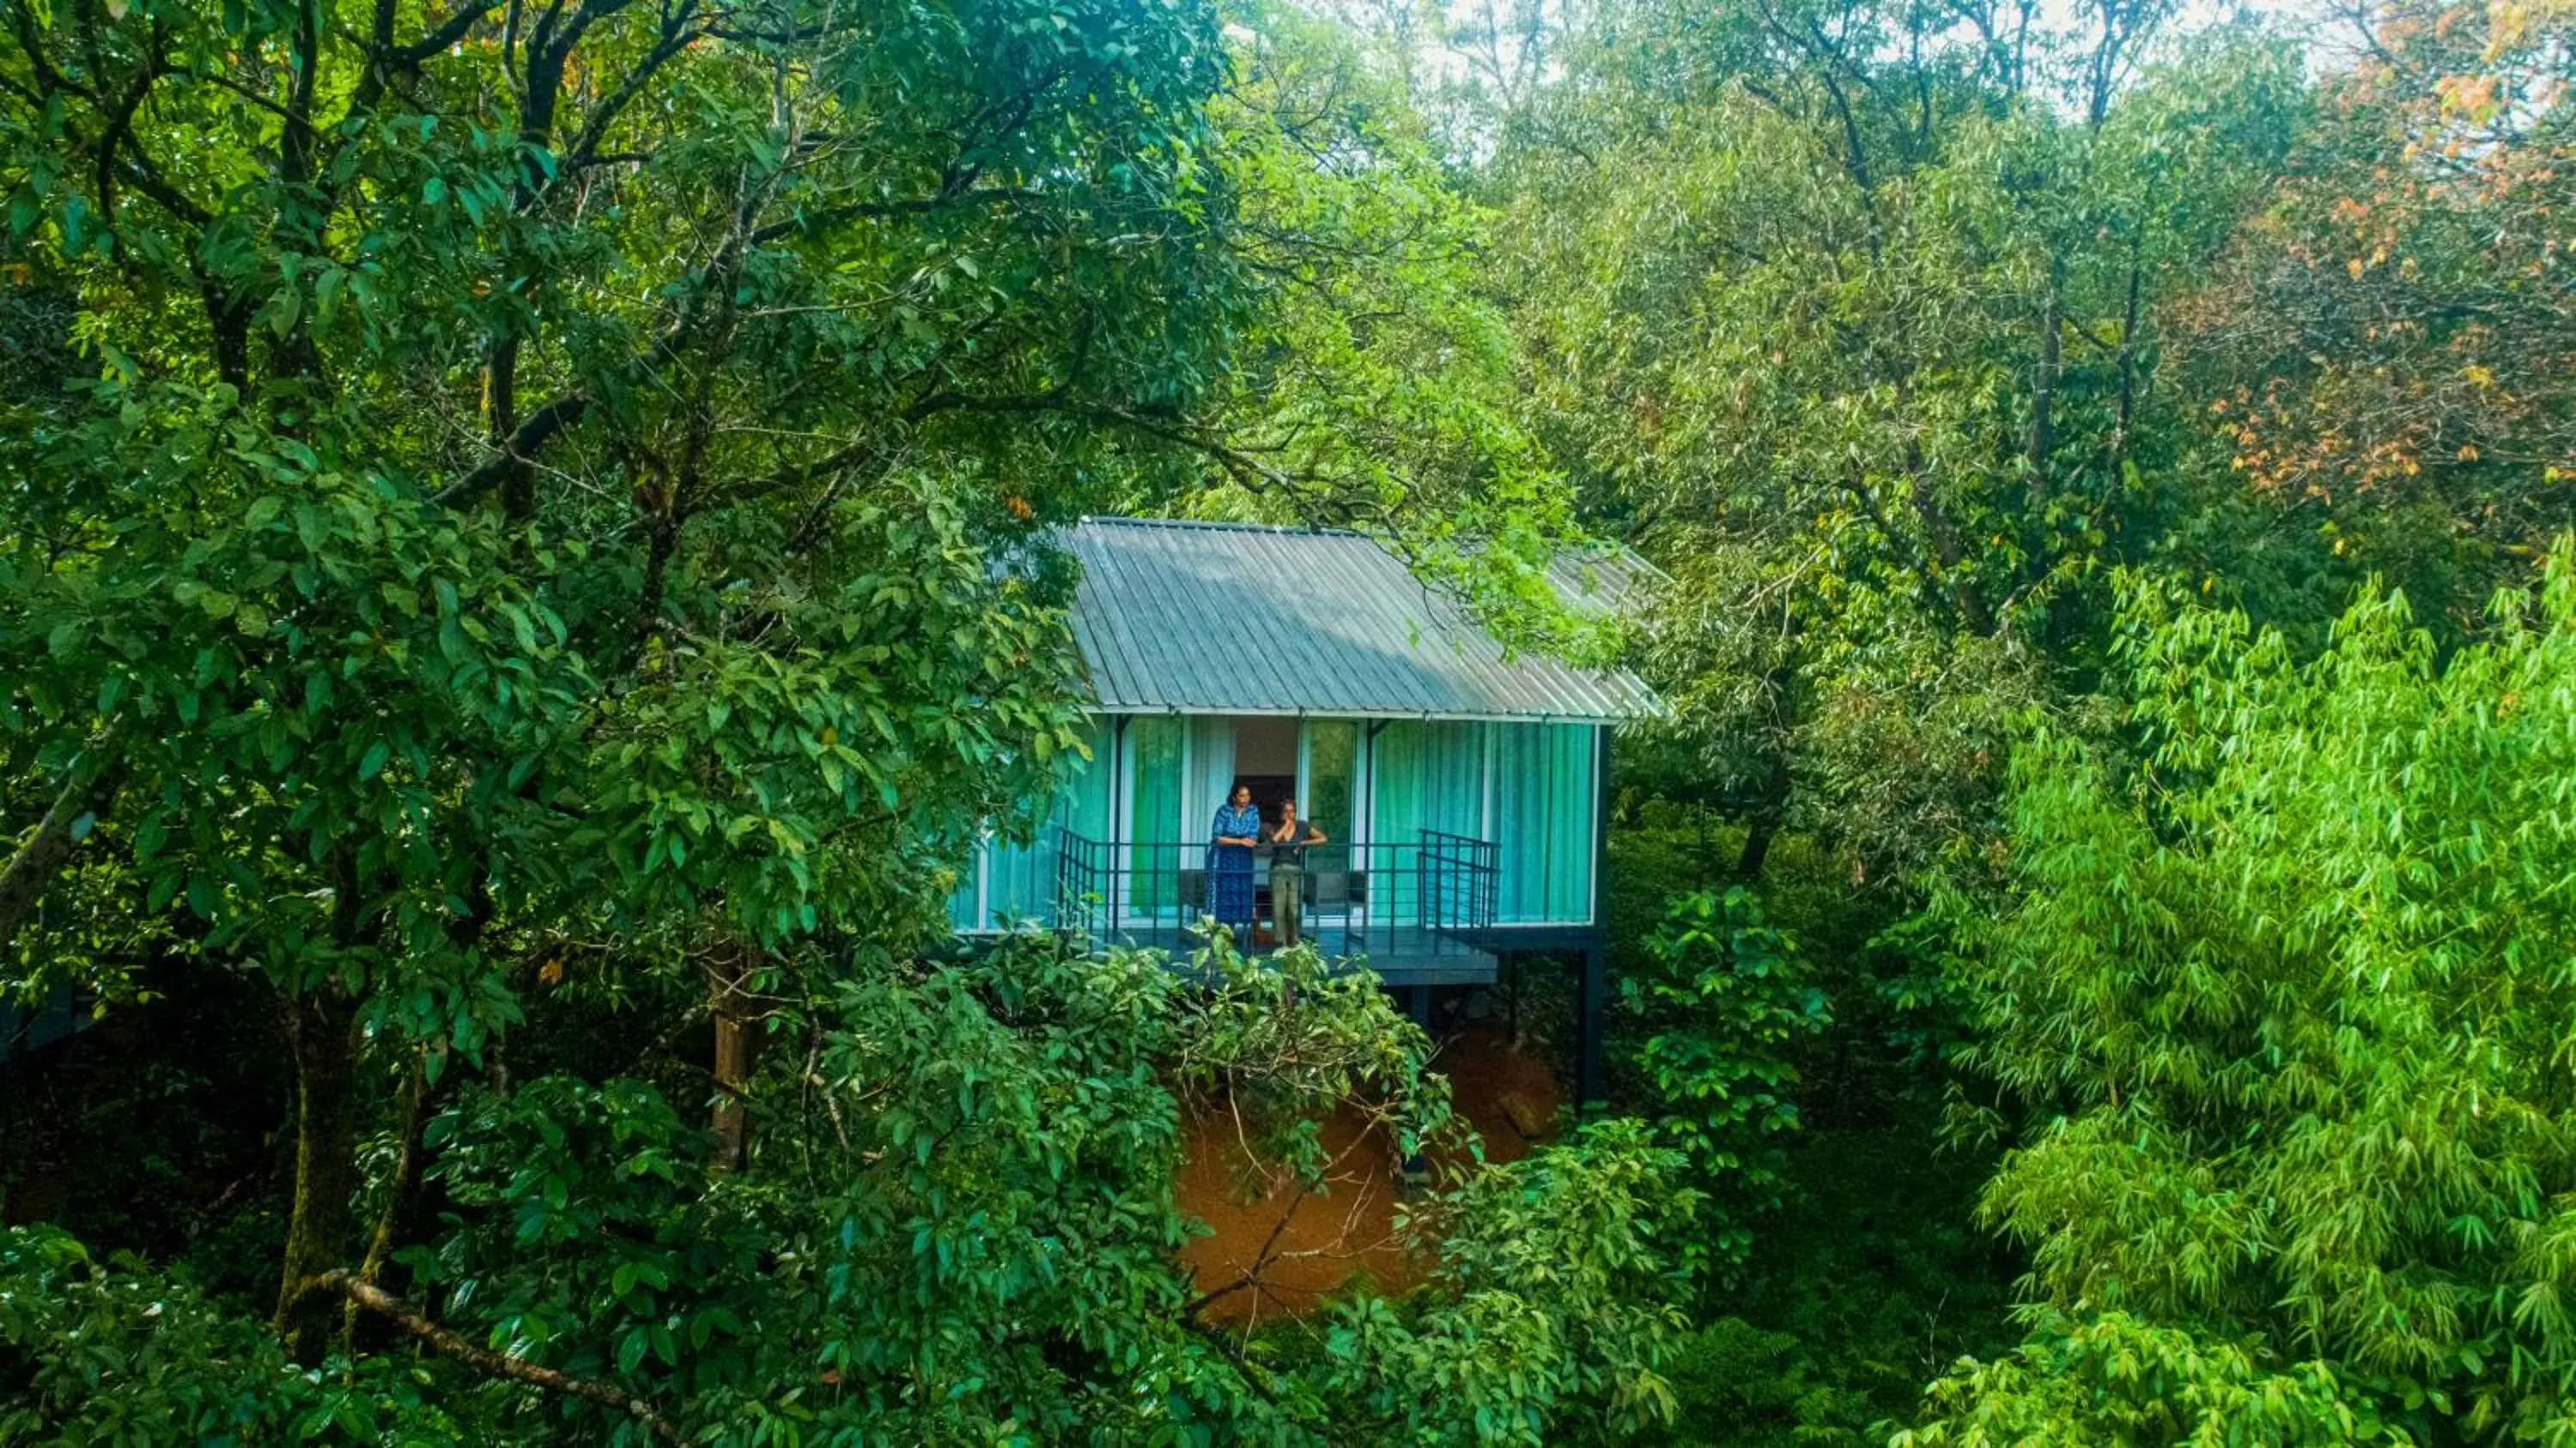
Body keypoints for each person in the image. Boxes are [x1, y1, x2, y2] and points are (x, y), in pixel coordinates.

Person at [1265, 799, 1327, 949]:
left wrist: (1305, 843)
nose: (1289, 814)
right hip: (1278, 870)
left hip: (1295, 871)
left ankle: (1294, 939)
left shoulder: (1302, 826)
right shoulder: (1273, 826)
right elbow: (1274, 840)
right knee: (1278, 908)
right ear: (1281, 813)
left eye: (1292, 811)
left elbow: (1323, 839)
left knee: (1293, 909)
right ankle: (1280, 942)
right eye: (1286, 811)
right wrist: (1286, 825)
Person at [1206, 783, 1261, 941]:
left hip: (1243, 860)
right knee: (1222, 893)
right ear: (1234, 797)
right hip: (1223, 859)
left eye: (1248, 795)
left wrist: (1235, 838)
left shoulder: (1253, 811)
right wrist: (1239, 841)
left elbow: (1252, 837)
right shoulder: (1224, 811)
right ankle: (1219, 933)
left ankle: (1241, 936)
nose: (1245, 799)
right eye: (1242, 796)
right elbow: (1217, 837)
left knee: (1241, 893)